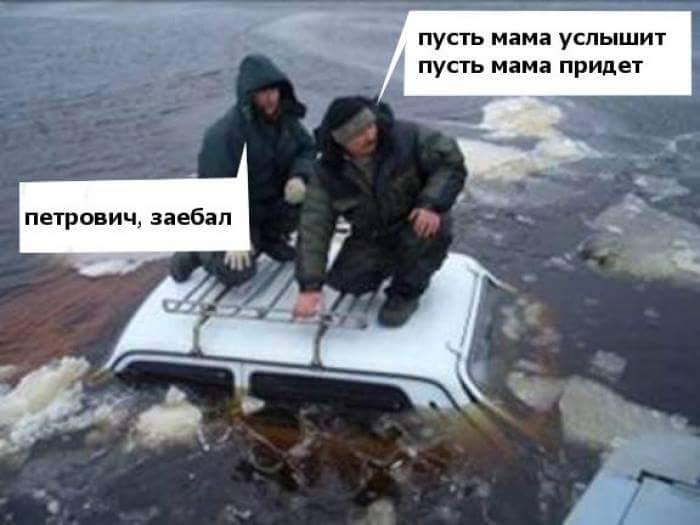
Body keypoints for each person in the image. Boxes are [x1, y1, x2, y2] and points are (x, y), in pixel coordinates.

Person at [293, 96, 467, 327]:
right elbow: (314, 226)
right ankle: (394, 262)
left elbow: (450, 162)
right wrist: (310, 286)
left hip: (416, 221)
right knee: (347, 282)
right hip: (374, 235)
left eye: (370, 126)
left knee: (434, 229)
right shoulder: (327, 173)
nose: (369, 136)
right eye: (358, 134)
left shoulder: (407, 137)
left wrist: (431, 204)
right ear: (341, 142)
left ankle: (406, 292)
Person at [170, 54, 315, 286]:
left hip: (274, 205)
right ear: (249, 95)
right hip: (239, 212)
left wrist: (299, 176)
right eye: (262, 92)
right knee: (237, 270)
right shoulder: (225, 134)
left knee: (316, 197)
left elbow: (308, 148)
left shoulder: (287, 121)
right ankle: (197, 253)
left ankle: (268, 238)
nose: (270, 98)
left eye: (273, 90)